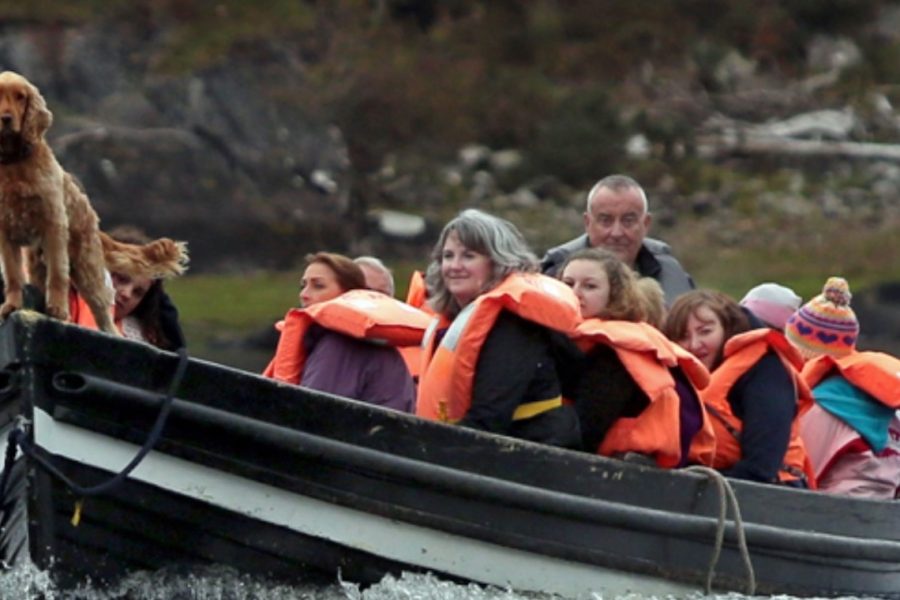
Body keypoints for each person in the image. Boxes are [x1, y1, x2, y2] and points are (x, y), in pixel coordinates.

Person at [416, 209, 582, 448]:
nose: (454, 266)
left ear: (497, 262)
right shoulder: (453, 319)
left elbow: (490, 418)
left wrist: (429, 449)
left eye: (469, 256)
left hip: (528, 453)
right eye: (448, 256)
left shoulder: (514, 324)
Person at [559, 248, 715, 467]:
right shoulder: (577, 340)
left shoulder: (615, 351)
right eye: (568, 283)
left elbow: (584, 432)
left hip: (637, 471)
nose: (576, 293)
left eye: (590, 286)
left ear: (614, 295)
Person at [664, 290, 815, 486]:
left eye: (705, 331)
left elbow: (762, 467)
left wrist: (694, 485)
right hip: (703, 480)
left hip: (769, 489)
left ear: (727, 328)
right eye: (683, 336)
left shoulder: (766, 368)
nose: (693, 345)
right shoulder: (676, 375)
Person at [264, 252, 426, 412]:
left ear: (349, 295)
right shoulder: (337, 341)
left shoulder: (340, 346)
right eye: (303, 285)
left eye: (318, 286)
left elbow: (312, 415)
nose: (304, 295)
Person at [785, 277, 900, 499]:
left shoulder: (822, 404)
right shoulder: (881, 399)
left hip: (838, 510)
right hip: (886, 511)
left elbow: (805, 473)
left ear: (800, 355)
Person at [540, 174, 694, 304]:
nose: (616, 233)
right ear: (587, 223)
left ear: (646, 224)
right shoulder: (556, 274)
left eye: (628, 221)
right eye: (606, 220)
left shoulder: (671, 274)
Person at [104, 226, 189, 350]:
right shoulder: (67, 309)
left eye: (138, 292)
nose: (126, 294)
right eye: (121, 279)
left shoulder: (145, 344)